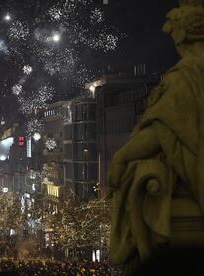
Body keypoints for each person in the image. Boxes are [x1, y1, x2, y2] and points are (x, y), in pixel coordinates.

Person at [108, 1, 204, 274]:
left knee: (138, 176)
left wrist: (121, 157)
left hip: (187, 192)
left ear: (183, 36)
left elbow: (160, 131)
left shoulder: (186, 76)